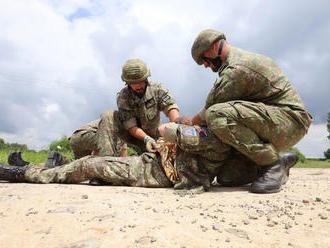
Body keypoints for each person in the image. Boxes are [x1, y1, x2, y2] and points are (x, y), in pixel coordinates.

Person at [182, 29, 312, 193]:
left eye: (204, 59)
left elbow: (210, 108)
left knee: (216, 115)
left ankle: (271, 164)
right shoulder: (236, 60)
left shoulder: (236, 69)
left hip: (290, 121)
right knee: (228, 178)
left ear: (214, 46)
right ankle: (278, 160)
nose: (206, 65)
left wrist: (188, 123)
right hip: (274, 120)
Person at [0, 123, 298, 193]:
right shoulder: (222, 137)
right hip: (153, 162)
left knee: (92, 166)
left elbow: (172, 130)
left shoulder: (227, 148)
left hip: (153, 172)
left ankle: (21, 174)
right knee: (92, 167)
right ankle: (46, 167)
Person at [98, 58, 180, 155]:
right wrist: (146, 139)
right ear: (127, 83)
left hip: (156, 137)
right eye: (133, 83)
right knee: (108, 115)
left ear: (146, 79)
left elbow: (170, 107)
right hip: (135, 138)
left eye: (140, 81)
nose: (138, 86)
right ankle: (108, 159)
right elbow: (131, 127)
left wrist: (176, 126)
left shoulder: (157, 89)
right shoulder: (123, 97)